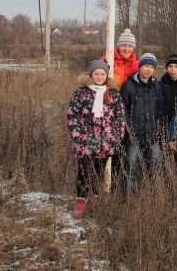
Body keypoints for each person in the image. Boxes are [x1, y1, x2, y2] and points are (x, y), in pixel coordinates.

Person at [66, 60, 125, 218]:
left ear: (106, 76)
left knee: (99, 172)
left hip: (106, 142)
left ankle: (95, 200)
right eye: (96, 74)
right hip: (86, 141)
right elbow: (72, 115)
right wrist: (78, 136)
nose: (99, 76)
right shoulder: (80, 92)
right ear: (91, 75)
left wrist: (117, 136)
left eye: (102, 74)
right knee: (84, 172)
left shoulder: (112, 93)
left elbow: (120, 117)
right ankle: (81, 202)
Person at [120, 53, 165, 194]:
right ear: (140, 67)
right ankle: (129, 201)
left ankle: (156, 198)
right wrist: (129, 128)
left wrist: (157, 128)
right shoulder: (128, 85)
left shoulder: (156, 85)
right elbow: (123, 109)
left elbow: (160, 108)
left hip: (152, 135)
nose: (149, 69)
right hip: (133, 135)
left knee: (156, 168)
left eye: (152, 67)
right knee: (131, 169)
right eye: (146, 66)